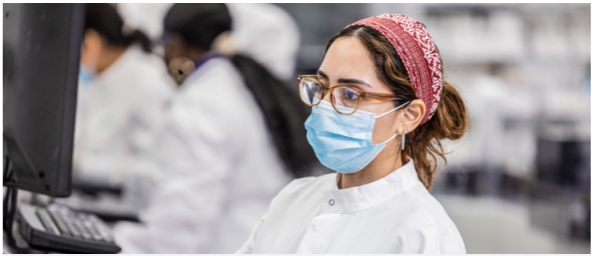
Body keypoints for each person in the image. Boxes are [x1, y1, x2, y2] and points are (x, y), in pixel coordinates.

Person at [237, 14, 470, 254]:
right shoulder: (293, 198)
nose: (324, 106)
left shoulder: (423, 234)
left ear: (408, 115)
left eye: (350, 94)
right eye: (322, 87)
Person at [112, 4, 316, 253]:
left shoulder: (204, 103)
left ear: (175, 44)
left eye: (162, 46)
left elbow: (182, 222)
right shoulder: (240, 85)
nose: (162, 55)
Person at [73, 3, 175, 187]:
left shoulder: (148, 81)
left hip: (120, 202)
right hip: (86, 192)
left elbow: (158, 167)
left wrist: (81, 165)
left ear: (92, 42)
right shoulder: (97, 78)